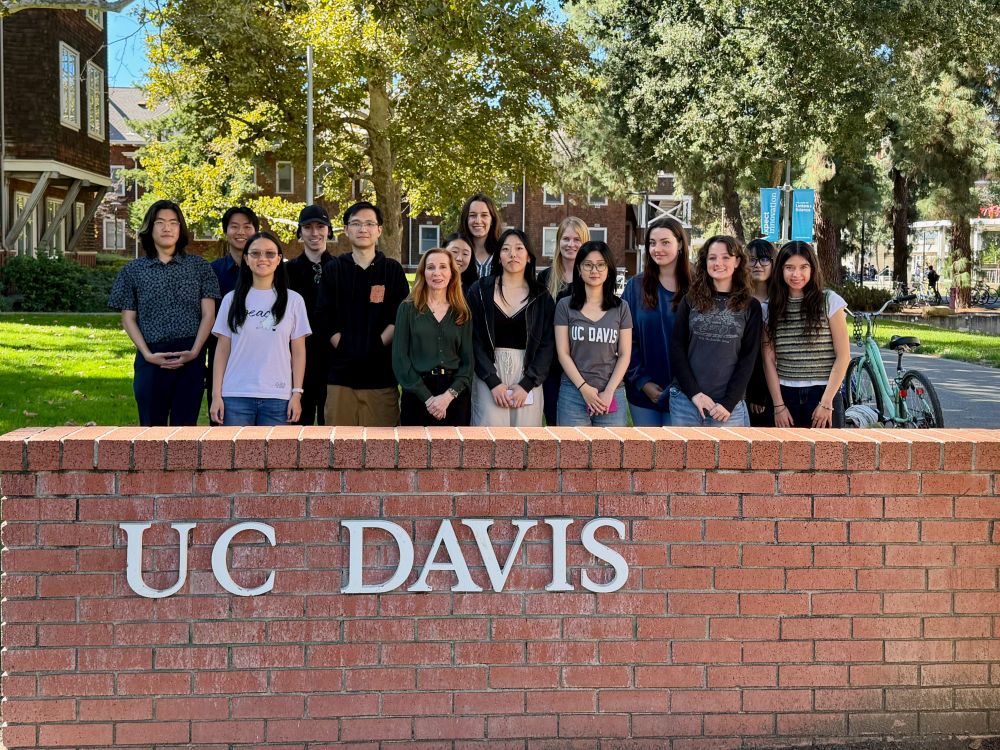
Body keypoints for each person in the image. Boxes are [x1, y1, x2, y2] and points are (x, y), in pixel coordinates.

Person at [108, 200, 220, 426]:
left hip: (191, 356)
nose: (167, 228)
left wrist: (195, 352)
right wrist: (148, 355)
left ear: (181, 229)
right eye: (160, 223)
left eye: (173, 223)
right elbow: (128, 318)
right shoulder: (133, 270)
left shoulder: (200, 267)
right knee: (150, 430)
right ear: (150, 228)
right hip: (150, 356)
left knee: (184, 430)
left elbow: (209, 314)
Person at [315, 201, 409, 426]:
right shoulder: (334, 269)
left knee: (382, 452)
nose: (363, 229)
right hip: (340, 379)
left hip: (381, 378)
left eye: (369, 224)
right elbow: (324, 316)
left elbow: (400, 315)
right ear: (346, 230)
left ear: (379, 230)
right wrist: (346, 347)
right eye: (356, 224)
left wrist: (376, 345)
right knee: (338, 450)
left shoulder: (392, 270)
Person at [210, 231, 310, 426]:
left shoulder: (294, 300)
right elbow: (222, 350)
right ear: (246, 259)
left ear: (279, 259)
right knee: (236, 456)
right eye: (255, 254)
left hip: (278, 397)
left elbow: (298, 351)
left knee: (275, 457)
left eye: (270, 254)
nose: (262, 259)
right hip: (235, 396)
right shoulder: (231, 299)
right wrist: (216, 395)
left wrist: (296, 394)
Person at [669, 235, 761, 427]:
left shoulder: (751, 306)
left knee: (729, 458)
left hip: (727, 407)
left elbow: (748, 359)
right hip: (686, 402)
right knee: (685, 458)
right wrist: (695, 394)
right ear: (705, 262)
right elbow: (677, 348)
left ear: (737, 262)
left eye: (726, 257)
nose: (718, 263)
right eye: (712, 258)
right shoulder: (690, 300)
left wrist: (728, 403)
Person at [467, 228, 555, 427]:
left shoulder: (541, 297)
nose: (512, 254)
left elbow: (547, 345)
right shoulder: (479, 291)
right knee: (488, 439)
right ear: (498, 257)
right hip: (488, 373)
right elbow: (474, 339)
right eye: (506, 249)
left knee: (525, 442)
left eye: (519, 248)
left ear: (529, 257)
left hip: (528, 374)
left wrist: (527, 384)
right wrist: (492, 381)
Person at [763, 241, 850, 428]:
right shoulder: (770, 308)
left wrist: (826, 403)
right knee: (786, 456)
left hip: (824, 394)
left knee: (828, 456)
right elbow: (768, 358)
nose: (796, 274)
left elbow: (843, 356)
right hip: (785, 396)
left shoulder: (830, 302)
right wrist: (778, 406)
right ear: (780, 270)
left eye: (803, 267)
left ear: (813, 269)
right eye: (789, 268)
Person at [622, 216, 691, 427]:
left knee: (676, 456)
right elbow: (625, 340)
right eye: (652, 243)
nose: (657, 248)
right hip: (643, 393)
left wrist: (681, 386)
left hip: (686, 392)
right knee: (646, 456)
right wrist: (642, 382)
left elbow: (703, 344)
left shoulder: (698, 287)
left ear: (680, 245)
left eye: (665, 242)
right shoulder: (635, 287)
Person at [392, 248, 474, 426]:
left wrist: (447, 397)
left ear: (452, 273)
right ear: (423, 273)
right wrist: (428, 399)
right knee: (415, 452)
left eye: (443, 267)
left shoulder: (461, 312)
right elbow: (400, 359)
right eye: (430, 267)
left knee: (454, 453)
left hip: (454, 397)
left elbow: (467, 363)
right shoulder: (407, 309)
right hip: (417, 394)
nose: (437, 273)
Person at [554, 241, 632, 427]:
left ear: (608, 269)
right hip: (573, 393)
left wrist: (608, 392)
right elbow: (563, 353)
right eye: (588, 265)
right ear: (579, 270)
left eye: (601, 264)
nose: (594, 270)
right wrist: (584, 389)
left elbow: (625, 354)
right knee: (572, 454)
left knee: (610, 454)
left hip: (611, 393)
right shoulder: (565, 306)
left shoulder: (622, 307)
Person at [206, 206, 260, 424]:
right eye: (234, 227)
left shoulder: (270, 271)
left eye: (247, 227)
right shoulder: (212, 271)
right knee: (222, 430)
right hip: (223, 358)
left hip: (261, 359)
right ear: (225, 231)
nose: (241, 232)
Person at [286, 204, 336, 425]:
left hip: (333, 359)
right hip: (297, 360)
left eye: (320, 226)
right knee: (297, 428)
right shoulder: (286, 272)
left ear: (329, 230)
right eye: (308, 227)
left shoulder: (341, 268)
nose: (315, 233)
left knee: (332, 430)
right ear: (300, 232)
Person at [537, 216, 589, 426]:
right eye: (566, 239)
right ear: (558, 242)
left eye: (577, 239)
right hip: (552, 368)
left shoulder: (591, 277)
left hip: (584, 365)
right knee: (555, 426)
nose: (571, 244)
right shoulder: (545, 279)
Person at [745, 238, 776, 427]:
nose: (758, 265)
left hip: (775, 388)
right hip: (744, 386)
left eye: (764, 259)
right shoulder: (738, 298)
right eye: (752, 259)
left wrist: (762, 392)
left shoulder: (780, 299)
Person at [458, 193, 503, 278]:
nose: (478, 221)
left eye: (484, 215)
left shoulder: (502, 254)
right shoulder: (456, 254)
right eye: (472, 215)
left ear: (492, 220)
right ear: (466, 219)